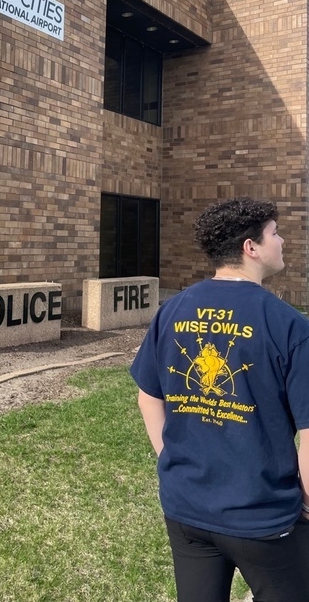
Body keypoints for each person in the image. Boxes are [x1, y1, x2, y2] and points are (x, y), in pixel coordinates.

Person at [130, 197, 309, 602]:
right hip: (262, 517)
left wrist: (169, 460)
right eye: (275, 233)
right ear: (251, 247)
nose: (282, 242)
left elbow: (147, 398)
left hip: (185, 507)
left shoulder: (171, 310)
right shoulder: (290, 326)